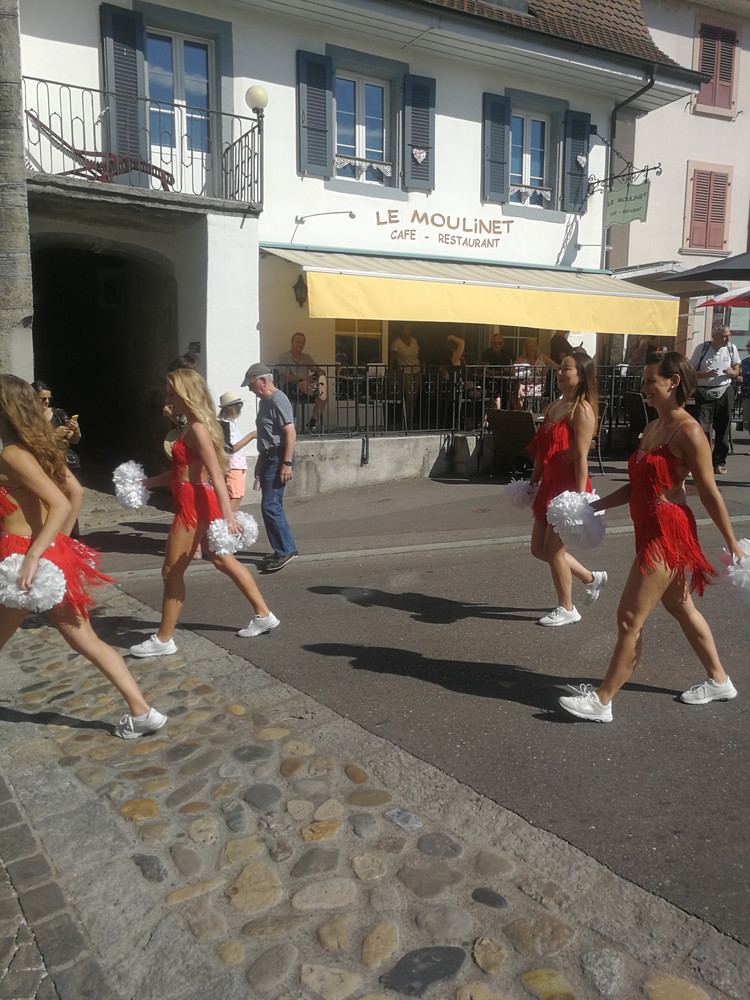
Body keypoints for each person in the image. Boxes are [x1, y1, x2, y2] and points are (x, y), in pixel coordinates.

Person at [559, 352, 744, 723]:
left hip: (667, 534)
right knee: (682, 608)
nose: (642, 387)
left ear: (673, 383)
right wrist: (595, 506)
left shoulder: (689, 432)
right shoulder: (653, 427)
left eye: (649, 381)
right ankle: (720, 681)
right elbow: (639, 485)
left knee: (629, 618)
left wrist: (734, 544)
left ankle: (602, 701)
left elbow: (709, 492)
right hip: (647, 530)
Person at [0, 375, 166, 739]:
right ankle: (142, 711)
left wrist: (36, 555)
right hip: (41, 554)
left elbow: (61, 502)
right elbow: (75, 492)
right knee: (86, 639)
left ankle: (141, 710)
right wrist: (58, 544)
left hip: (22, 557)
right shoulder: (38, 447)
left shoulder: (13, 453)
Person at [129, 369, 279, 655]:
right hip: (195, 501)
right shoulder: (191, 426)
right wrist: (146, 483)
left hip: (194, 506)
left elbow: (215, 474)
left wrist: (229, 515)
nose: (168, 399)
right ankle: (263, 614)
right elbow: (180, 472)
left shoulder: (198, 429)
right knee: (223, 561)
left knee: (171, 571)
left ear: (186, 394)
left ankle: (164, 639)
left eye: (172, 393)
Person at [528, 354, 607, 626]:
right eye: (559, 368)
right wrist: (533, 482)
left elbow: (582, 457)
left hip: (568, 489)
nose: (560, 373)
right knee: (538, 549)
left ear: (581, 375)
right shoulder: (554, 405)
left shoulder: (582, 411)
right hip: (549, 484)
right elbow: (542, 451)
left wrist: (580, 498)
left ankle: (567, 608)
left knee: (554, 551)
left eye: (566, 369)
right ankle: (591, 578)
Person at [241, 363, 298, 573]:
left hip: (278, 457)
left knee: (270, 506)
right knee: (271, 506)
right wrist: (260, 460)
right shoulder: (266, 401)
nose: (250, 390)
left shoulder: (277, 399)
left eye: (251, 385)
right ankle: (284, 548)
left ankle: (285, 550)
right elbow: (266, 434)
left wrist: (286, 463)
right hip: (269, 457)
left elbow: (290, 431)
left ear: (263, 381)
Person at [690, 323, 740, 475]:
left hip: (725, 390)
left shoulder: (731, 348)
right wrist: (704, 374)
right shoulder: (702, 348)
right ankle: (701, 461)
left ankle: (719, 462)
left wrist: (733, 372)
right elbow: (691, 372)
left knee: (723, 427)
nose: (728, 339)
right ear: (715, 336)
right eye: (725, 336)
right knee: (702, 428)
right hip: (704, 392)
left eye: (729, 335)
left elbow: (737, 369)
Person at [277, 332, 328, 433]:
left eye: (302, 343)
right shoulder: (284, 357)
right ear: (291, 343)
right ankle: (315, 393)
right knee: (303, 383)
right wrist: (306, 378)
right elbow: (285, 376)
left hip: (306, 389)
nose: (300, 345)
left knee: (323, 397)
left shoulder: (306, 357)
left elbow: (318, 370)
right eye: (297, 342)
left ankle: (312, 423)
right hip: (289, 388)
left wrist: (320, 375)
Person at [218, 390, 255, 512]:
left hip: (235, 465)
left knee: (236, 495)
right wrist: (250, 436)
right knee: (235, 496)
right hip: (234, 466)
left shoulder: (229, 423)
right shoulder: (226, 425)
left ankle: (231, 519)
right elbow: (229, 448)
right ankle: (230, 520)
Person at [739, 338, 750, 437]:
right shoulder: (744, 362)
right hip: (747, 394)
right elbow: (742, 375)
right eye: (748, 346)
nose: (749, 348)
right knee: (748, 420)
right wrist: (740, 378)